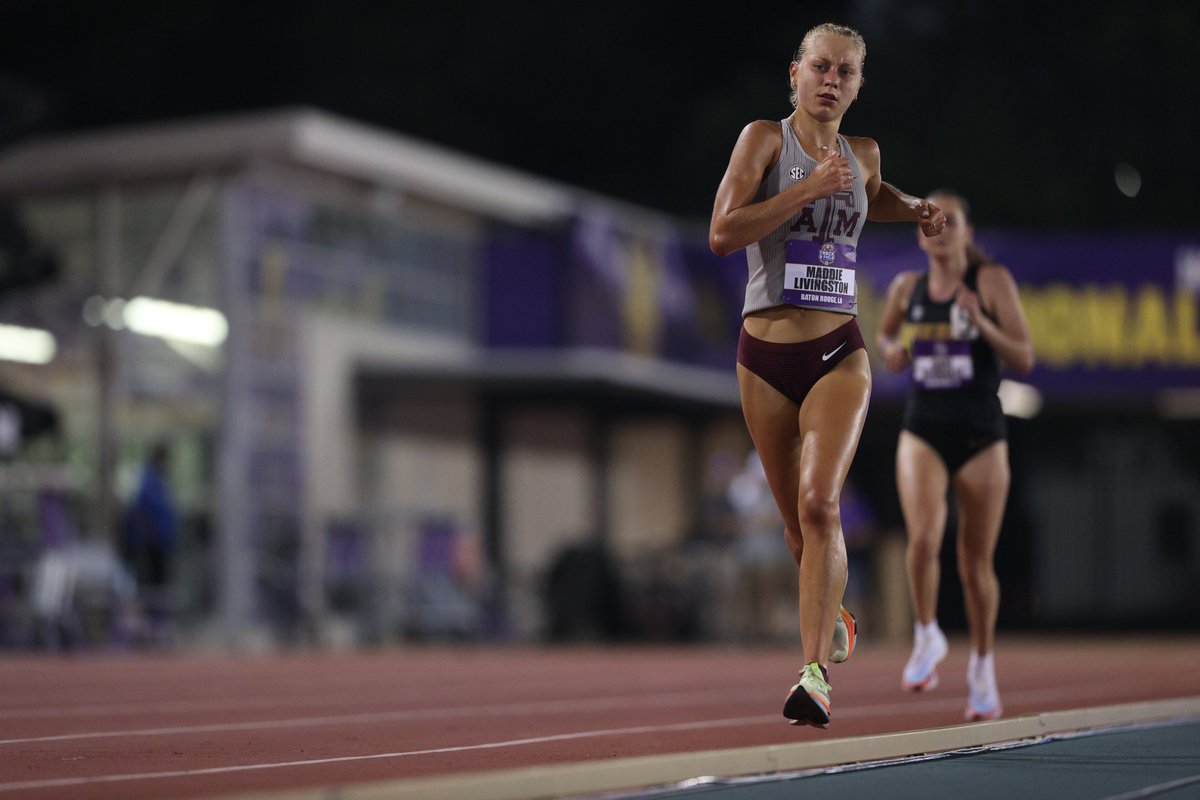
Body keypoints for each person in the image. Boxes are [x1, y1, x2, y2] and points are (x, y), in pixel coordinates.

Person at [709, 22, 946, 727]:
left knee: (820, 507)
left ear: (858, 83)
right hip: (764, 355)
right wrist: (806, 189)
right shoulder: (762, 140)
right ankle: (835, 610)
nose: (831, 79)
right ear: (795, 73)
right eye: (820, 66)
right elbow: (722, 233)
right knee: (794, 530)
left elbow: (875, 190)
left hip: (839, 353)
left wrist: (915, 211)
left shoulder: (862, 153)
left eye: (845, 70)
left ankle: (812, 675)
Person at [876, 190, 1034, 721]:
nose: (939, 228)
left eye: (950, 222)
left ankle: (983, 668)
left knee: (973, 566)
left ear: (968, 232)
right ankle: (927, 635)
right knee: (922, 540)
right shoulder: (906, 287)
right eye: (928, 221)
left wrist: (981, 322)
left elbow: (1025, 357)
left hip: (980, 434)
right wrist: (891, 351)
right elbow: (884, 332)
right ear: (918, 234)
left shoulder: (991, 283)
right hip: (924, 427)